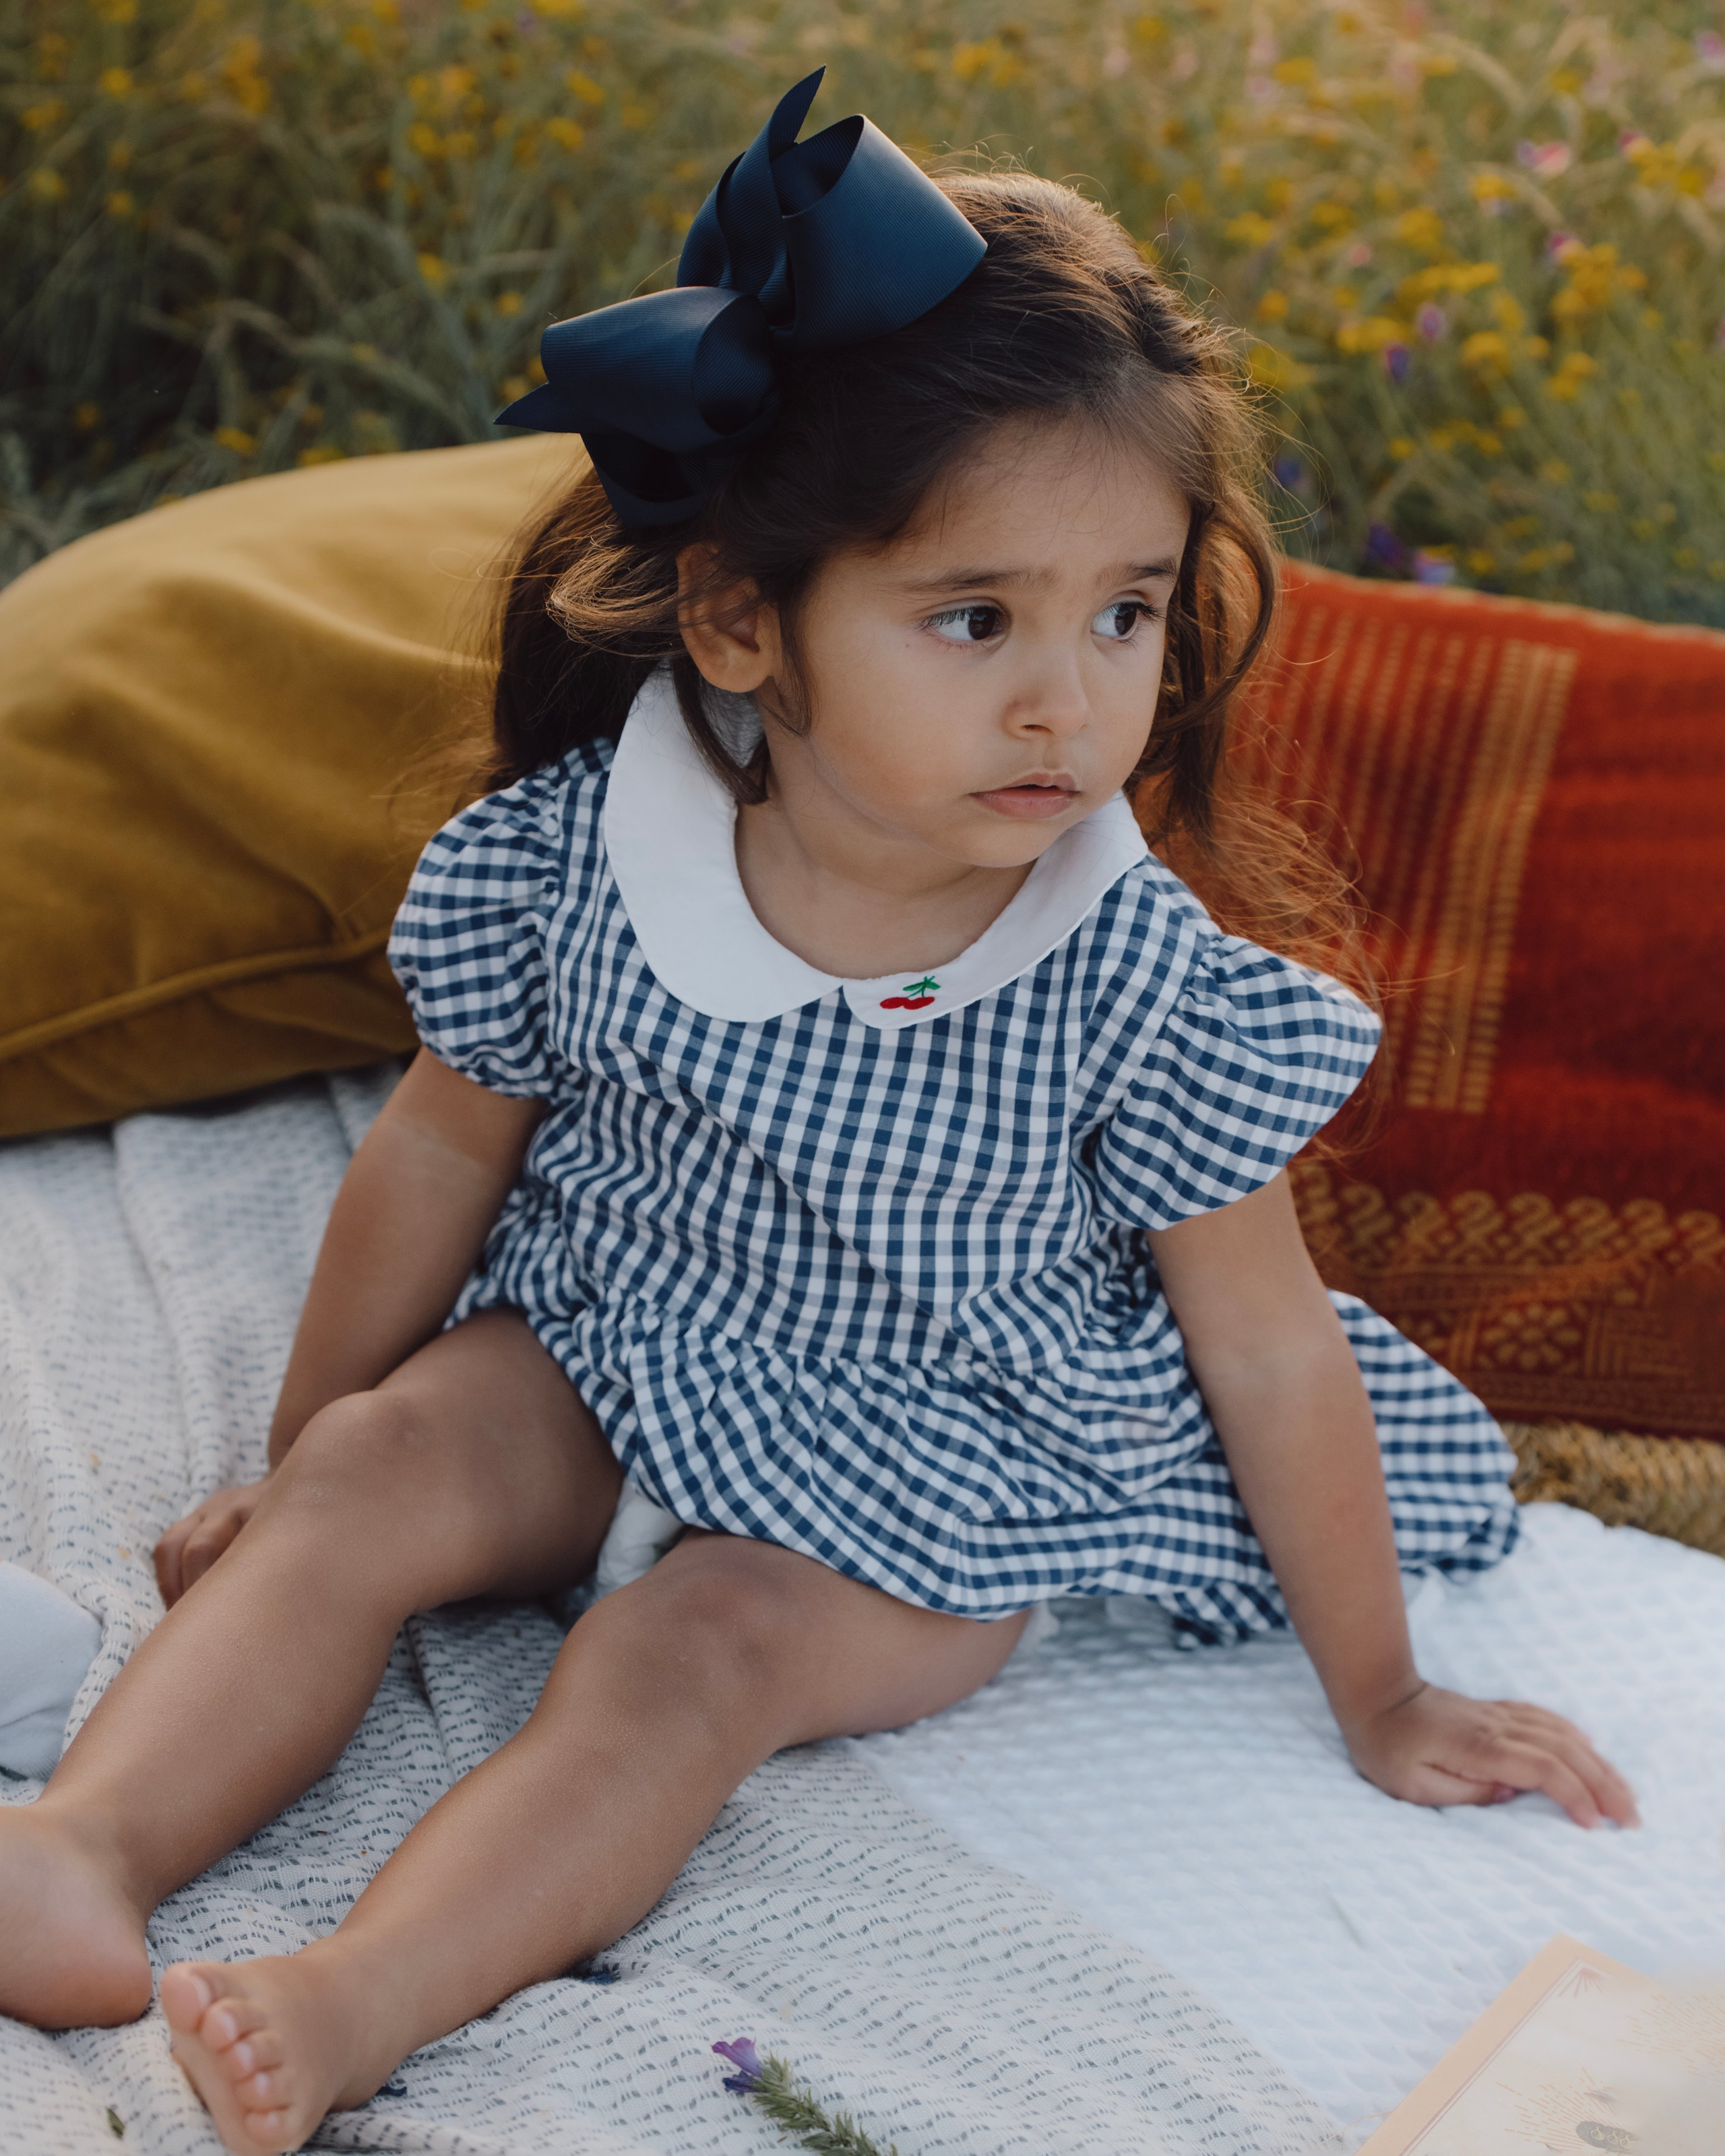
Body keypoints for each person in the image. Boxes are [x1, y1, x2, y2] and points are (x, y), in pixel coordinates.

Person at [0, 73, 1635, 2155]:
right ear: (741, 621)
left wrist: (1382, 1691)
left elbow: (1263, 1335)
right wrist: (298, 1453)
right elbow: (436, 1150)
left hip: (930, 1450)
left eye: (1124, 611)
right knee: (380, 1471)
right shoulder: (596, 853)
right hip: (625, 1328)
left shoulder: (1126, 975)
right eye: (979, 622)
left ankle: (347, 1998)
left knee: (694, 1656)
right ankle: (87, 1851)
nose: (1071, 700)